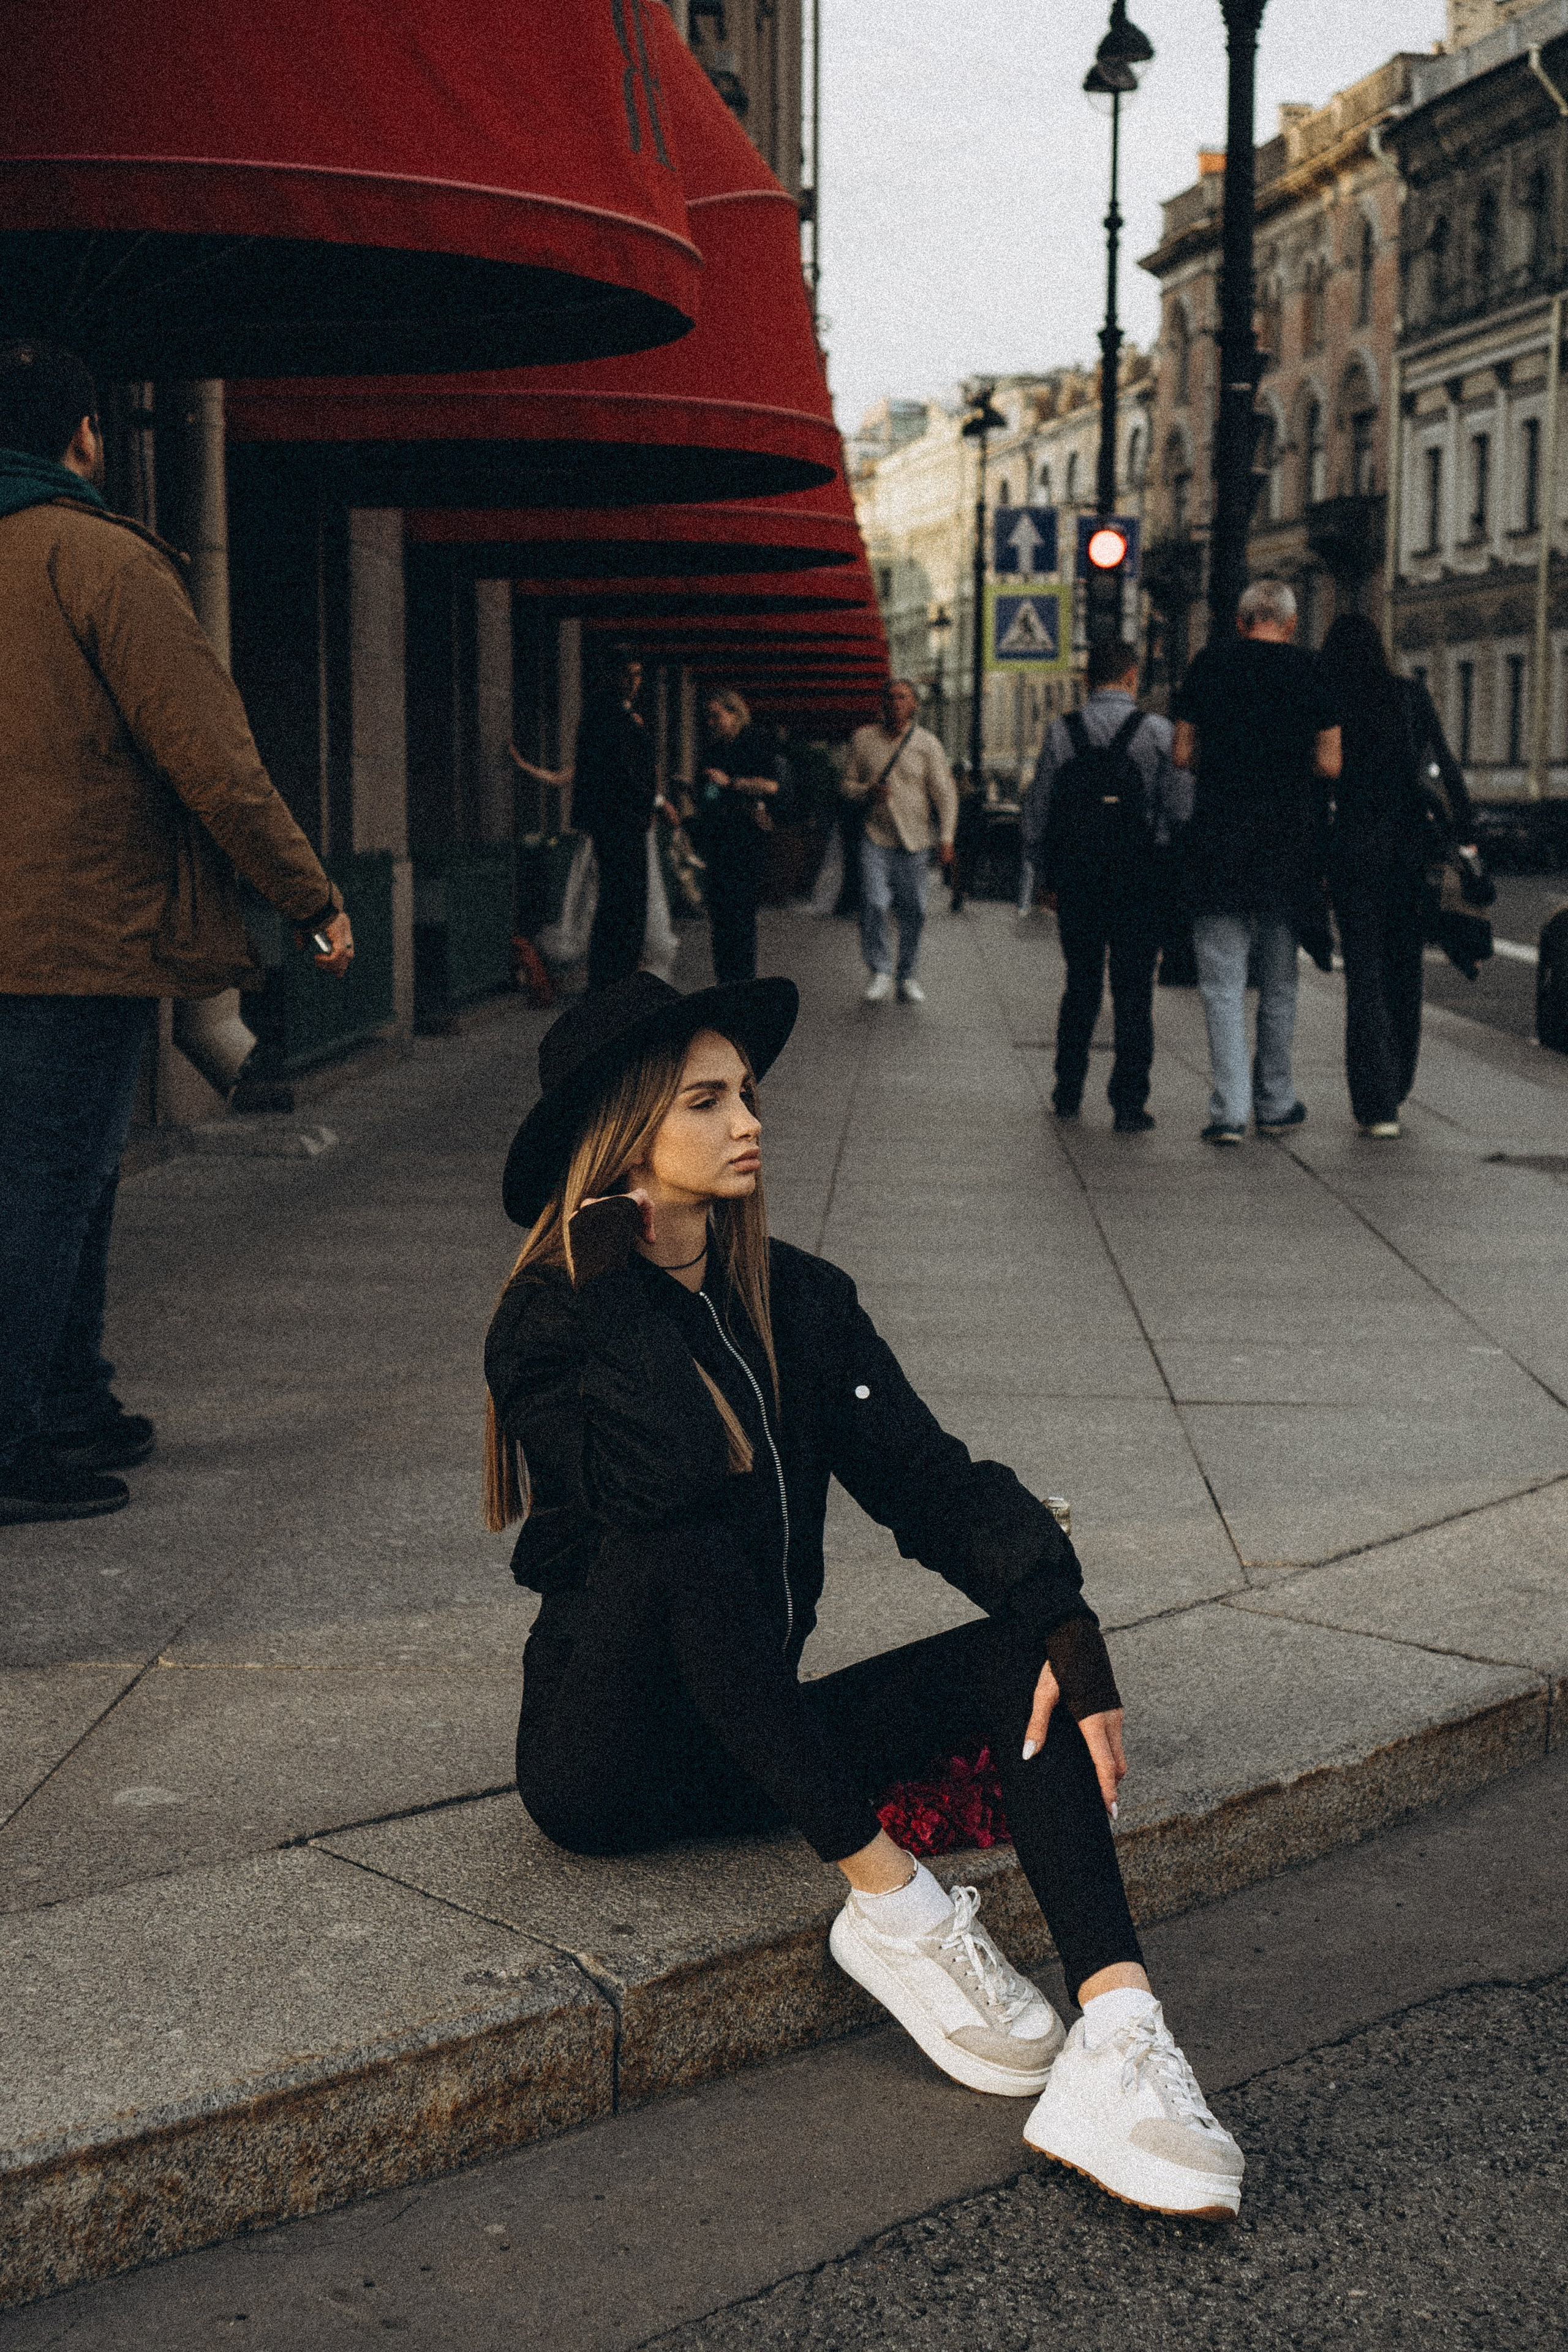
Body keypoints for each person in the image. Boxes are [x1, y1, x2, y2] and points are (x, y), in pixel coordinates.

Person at [483, 972, 1246, 2221]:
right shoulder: (544, 1327)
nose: (750, 1122)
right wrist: (617, 1279)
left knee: (1022, 1651)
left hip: (763, 1741)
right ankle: (892, 1906)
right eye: (708, 1100)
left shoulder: (803, 1303)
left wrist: (1061, 1615)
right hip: (604, 1759)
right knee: (671, 1537)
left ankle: (1121, 2035)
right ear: (624, 1133)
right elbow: (661, 1481)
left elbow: (928, 1483)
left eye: (749, 1095)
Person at [0, 337, 353, 1529]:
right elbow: (216, 760)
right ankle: (17, 1435)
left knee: (65, 1180)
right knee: (53, 1186)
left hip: (47, 932)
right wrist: (305, 895)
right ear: (84, 436)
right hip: (71, 932)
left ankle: (66, 1401)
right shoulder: (99, 560)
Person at [1171, 579, 1341, 1145]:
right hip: (1287, 845)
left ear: (1242, 621)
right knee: (1279, 982)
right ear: (1290, 625)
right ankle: (1274, 1099)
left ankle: (1229, 1111)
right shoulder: (1313, 672)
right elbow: (1331, 763)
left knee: (1220, 984)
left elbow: (1181, 753)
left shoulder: (1208, 665)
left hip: (1219, 841)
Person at [1317, 614, 1480, 1139]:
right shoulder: (1409, 696)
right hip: (1411, 854)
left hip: (1354, 850)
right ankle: (1399, 1082)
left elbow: (1320, 779)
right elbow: (1447, 771)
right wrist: (1465, 836)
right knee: (1405, 972)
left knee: (1363, 975)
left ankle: (1376, 1102)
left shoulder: (1330, 698)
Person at [1022, 640, 1193, 1133]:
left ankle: (1068, 1091)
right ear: (1133, 678)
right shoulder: (1157, 731)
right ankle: (1129, 1103)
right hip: (1140, 880)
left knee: (1081, 984)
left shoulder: (1061, 732)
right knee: (1134, 991)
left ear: (1087, 681)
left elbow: (1039, 809)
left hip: (1078, 878)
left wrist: (1042, 874)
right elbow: (1181, 806)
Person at [510, 739, 681, 984]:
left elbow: (662, 809)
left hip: (629, 842)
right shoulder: (600, 763)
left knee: (623, 903)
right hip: (605, 844)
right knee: (596, 902)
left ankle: (623, 965)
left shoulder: (634, 766)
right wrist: (523, 765)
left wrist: (659, 804)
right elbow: (558, 779)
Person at [840, 680, 957, 1004]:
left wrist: (946, 838)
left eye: (902, 697)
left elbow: (945, 794)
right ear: (882, 703)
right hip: (875, 836)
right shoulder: (863, 739)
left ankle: (907, 976)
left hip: (916, 841)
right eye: (890, 697)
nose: (895, 702)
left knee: (915, 910)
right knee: (874, 902)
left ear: (914, 705)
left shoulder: (927, 744)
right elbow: (846, 785)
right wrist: (867, 790)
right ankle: (880, 971)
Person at [571, 648, 658, 993]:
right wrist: (652, 802)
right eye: (627, 674)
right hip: (620, 822)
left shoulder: (610, 714)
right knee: (622, 907)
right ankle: (614, 983)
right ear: (611, 675)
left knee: (620, 905)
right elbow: (624, 773)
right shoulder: (608, 715)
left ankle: (615, 981)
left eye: (638, 674)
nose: (634, 682)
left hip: (619, 821)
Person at [695, 687, 783, 984]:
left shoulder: (754, 743)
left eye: (716, 715)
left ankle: (743, 981)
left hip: (746, 839)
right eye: (708, 716)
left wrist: (731, 782)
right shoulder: (712, 749)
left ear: (735, 715)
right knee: (720, 915)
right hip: (717, 839)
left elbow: (772, 786)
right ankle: (725, 980)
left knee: (741, 914)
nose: (711, 722)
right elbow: (708, 793)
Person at [948, 758, 987, 913]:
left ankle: (957, 892)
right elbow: (980, 819)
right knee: (967, 864)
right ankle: (962, 890)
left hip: (957, 833)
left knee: (957, 865)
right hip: (969, 834)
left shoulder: (953, 794)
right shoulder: (973, 795)